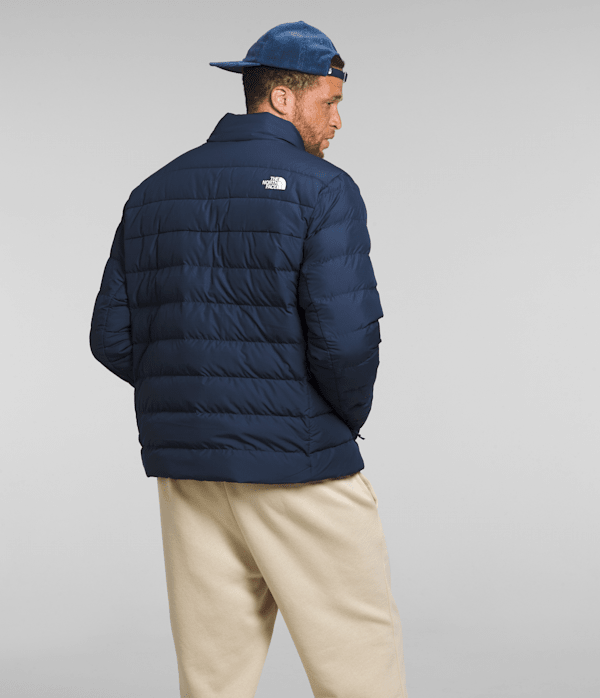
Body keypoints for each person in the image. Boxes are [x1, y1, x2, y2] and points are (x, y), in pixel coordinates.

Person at [90, 20, 408, 698]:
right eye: (330, 101)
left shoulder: (153, 191)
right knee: (361, 675)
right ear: (283, 98)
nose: (339, 120)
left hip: (191, 473)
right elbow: (347, 341)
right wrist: (332, 421)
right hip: (301, 463)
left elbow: (111, 337)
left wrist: (195, 398)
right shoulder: (325, 189)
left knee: (213, 681)